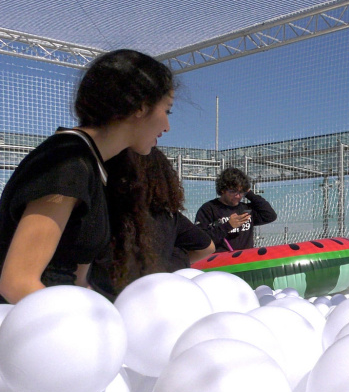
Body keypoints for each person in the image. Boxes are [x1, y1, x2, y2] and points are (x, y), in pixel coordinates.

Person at [0, 49, 176, 304]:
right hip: (32, 330)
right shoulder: (68, 164)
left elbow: (77, 280)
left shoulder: (91, 165)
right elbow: (17, 283)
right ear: (141, 106)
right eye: (167, 111)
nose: (167, 127)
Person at [90, 147, 215, 298]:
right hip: (154, 296)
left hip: (106, 297)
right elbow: (207, 247)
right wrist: (171, 260)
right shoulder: (168, 215)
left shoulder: (103, 209)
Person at [195, 167, 277, 252]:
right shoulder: (209, 209)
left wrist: (249, 193)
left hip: (245, 259)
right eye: (233, 191)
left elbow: (270, 215)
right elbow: (200, 240)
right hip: (220, 261)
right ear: (223, 190)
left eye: (241, 192)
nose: (238, 196)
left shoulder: (245, 209)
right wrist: (228, 226)